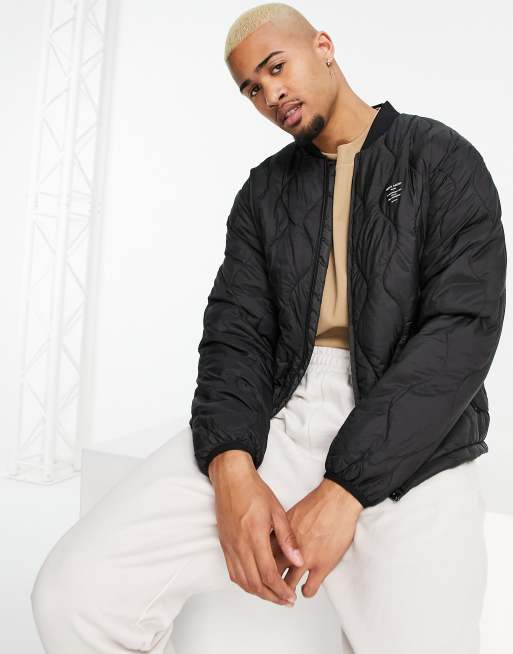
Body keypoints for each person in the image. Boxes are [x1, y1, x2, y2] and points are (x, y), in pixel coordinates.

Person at [31, 3, 507, 653]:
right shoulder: (264, 193)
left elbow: (461, 329)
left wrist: (345, 489)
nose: (269, 93)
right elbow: (235, 335)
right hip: (281, 412)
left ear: (324, 46)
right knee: (74, 593)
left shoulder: (440, 158)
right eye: (251, 88)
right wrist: (231, 468)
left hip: (416, 433)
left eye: (276, 67)